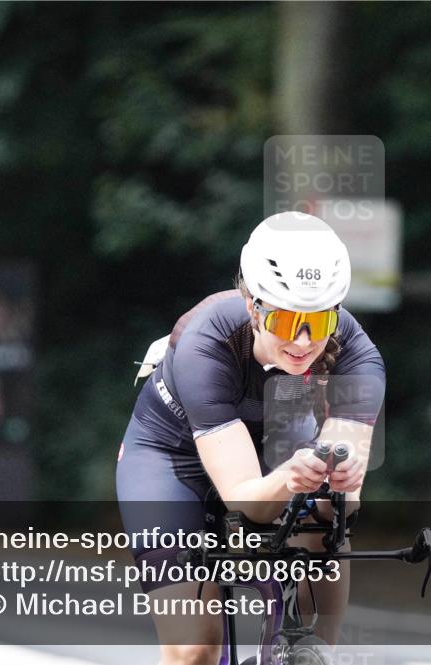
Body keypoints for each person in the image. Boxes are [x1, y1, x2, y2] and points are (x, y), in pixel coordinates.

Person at [117, 211, 385, 665]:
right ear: (252, 306)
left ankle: (317, 650)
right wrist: (293, 479)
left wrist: (337, 483)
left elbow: (343, 505)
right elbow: (247, 501)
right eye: (284, 322)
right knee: (195, 648)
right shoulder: (206, 341)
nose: (302, 342)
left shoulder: (358, 355)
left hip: (274, 446)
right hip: (169, 460)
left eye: (318, 324)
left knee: (328, 518)